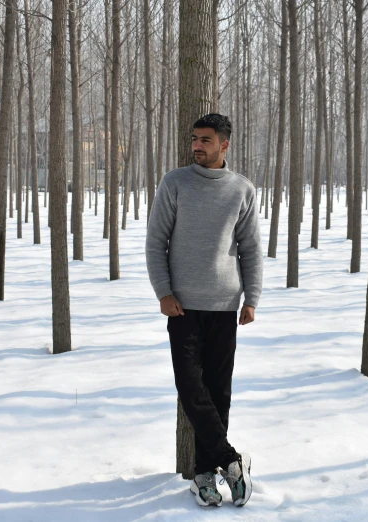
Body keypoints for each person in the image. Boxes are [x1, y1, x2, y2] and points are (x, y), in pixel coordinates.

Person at [145, 113, 263, 507]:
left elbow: (250, 248)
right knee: (190, 388)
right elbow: (155, 240)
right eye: (194, 139)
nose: (197, 145)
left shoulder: (242, 189)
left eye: (206, 140)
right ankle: (231, 460)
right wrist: (163, 291)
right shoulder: (175, 183)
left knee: (219, 392)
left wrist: (252, 298)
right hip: (182, 308)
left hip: (225, 306)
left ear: (224, 145)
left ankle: (205, 474)